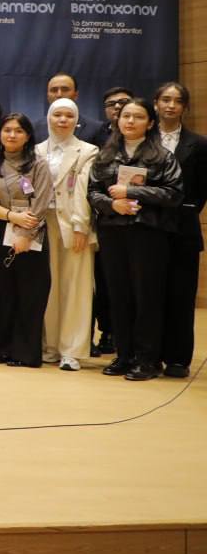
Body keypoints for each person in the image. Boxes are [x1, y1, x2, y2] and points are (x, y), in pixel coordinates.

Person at [88, 99, 183, 381]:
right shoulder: (105, 155)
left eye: (138, 117)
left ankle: (147, 359)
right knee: (118, 295)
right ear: (117, 121)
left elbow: (174, 193)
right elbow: (92, 192)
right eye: (125, 116)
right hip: (112, 232)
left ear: (150, 123)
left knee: (147, 296)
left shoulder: (162, 156)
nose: (130, 121)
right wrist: (111, 204)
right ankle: (124, 355)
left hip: (148, 233)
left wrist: (132, 192)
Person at [0, 114, 53, 368]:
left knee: (30, 295)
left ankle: (26, 353)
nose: (12, 135)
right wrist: (12, 216)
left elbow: (41, 203)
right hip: (1, 230)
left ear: (28, 136)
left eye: (18, 131)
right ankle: (3, 348)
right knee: (4, 293)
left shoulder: (39, 165)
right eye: (7, 130)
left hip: (32, 232)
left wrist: (25, 235)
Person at [34, 98, 98, 371]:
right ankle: (51, 345)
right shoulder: (36, 150)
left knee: (76, 288)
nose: (62, 120)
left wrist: (81, 225)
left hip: (73, 225)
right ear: (48, 117)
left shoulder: (88, 151)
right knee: (49, 286)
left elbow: (83, 191)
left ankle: (71, 350)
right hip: (43, 224)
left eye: (69, 116)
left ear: (76, 121)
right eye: (57, 114)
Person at [153, 82, 206, 379]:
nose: (171, 105)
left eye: (177, 101)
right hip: (147, 228)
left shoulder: (199, 144)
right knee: (150, 294)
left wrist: (183, 210)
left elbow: (201, 190)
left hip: (183, 229)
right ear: (156, 104)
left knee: (181, 295)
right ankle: (149, 354)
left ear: (185, 107)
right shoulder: (143, 139)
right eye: (166, 99)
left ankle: (177, 358)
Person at [31, 73, 108, 146]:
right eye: (54, 90)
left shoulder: (96, 128)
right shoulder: (35, 128)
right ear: (47, 96)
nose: (59, 94)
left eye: (65, 90)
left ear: (76, 95)